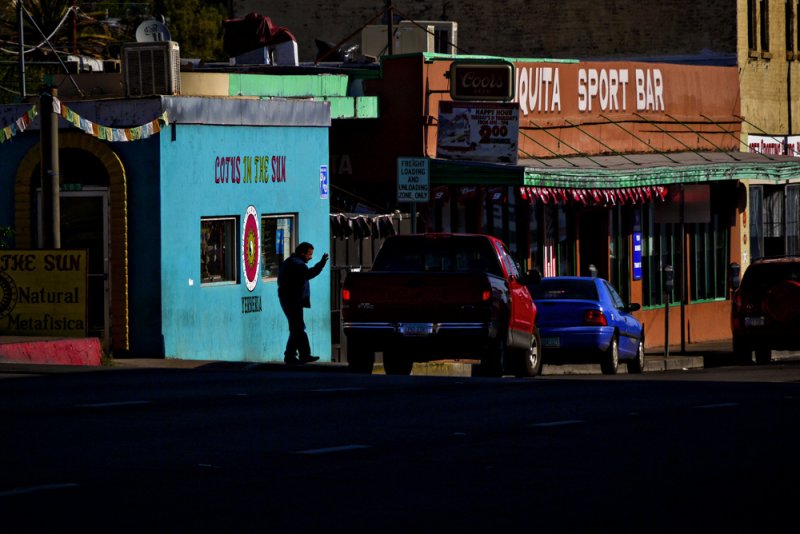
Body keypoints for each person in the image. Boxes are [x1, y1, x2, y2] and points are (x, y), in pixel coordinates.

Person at [277, 242, 329, 365]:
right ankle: (292, 355)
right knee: (298, 328)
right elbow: (308, 274)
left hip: (289, 300)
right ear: (303, 253)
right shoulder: (297, 264)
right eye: (309, 254)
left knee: (297, 328)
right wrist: (321, 264)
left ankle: (303, 354)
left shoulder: (290, 262)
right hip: (293, 300)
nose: (310, 257)